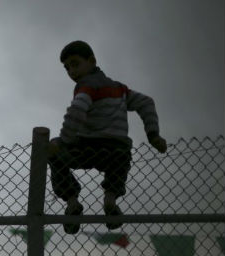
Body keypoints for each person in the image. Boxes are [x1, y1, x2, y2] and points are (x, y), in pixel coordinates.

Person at [48, 41, 167, 234]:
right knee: (120, 162)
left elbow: (77, 111)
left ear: (92, 61)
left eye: (75, 64)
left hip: (86, 147)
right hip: (116, 150)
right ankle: (110, 200)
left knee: (51, 152)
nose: (71, 71)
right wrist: (153, 135)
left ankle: (71, 202)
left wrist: (63, 141)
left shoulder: (86, 86)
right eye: (67, 68)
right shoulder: (120, 89)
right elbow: (146, 102)